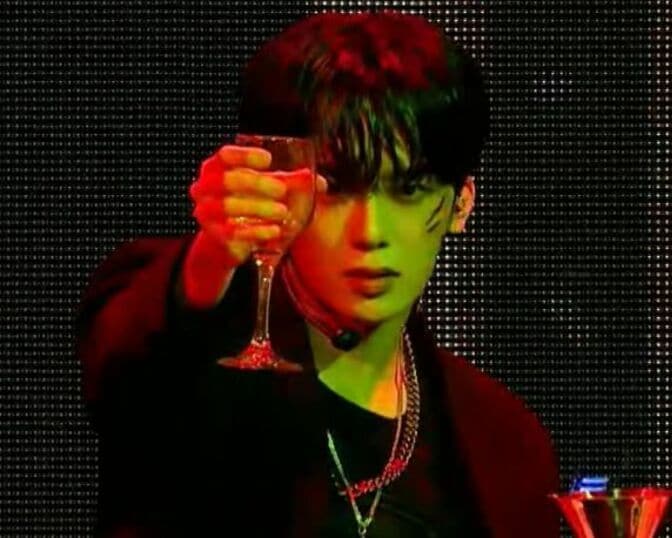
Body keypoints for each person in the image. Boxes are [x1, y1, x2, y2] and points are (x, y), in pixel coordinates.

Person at [75, 11, 559, 538]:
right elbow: (124, 361)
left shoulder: (504, 439)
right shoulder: (195, 372)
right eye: (336, 189)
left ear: (461, 203)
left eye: (408, 189)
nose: (370, 231)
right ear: (280, 189)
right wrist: (210, 258)